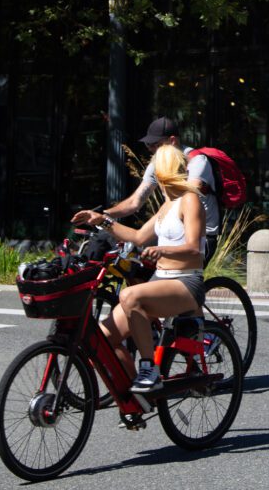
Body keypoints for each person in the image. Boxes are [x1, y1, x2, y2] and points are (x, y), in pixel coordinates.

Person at [72, 142, 205, 394]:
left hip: (186, 283)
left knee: (130, 295)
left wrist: (163, 250)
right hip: (161, 281)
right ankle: (138, 397)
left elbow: (194, 249)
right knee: (103, 338)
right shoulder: (167, 206)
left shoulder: (190, 201)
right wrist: (103, 220)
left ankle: (149, 369)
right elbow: (138, 236)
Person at [78, 117, 220, 257]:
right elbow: (135, 202)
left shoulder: (197, 161)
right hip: (171, 229)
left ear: (172, 140)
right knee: (126, 259)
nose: (152, 149)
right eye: (149, 146)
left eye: (156, 145)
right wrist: (105, 215)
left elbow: (190, 193)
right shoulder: (157, 164)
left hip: (201, 236)